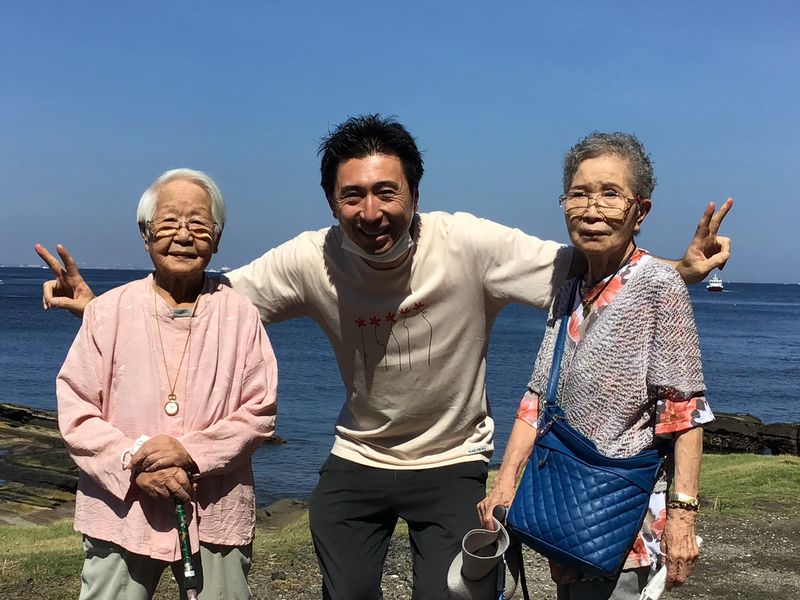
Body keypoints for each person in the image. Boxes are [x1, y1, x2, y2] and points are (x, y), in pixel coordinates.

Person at [37, 115, 731, 600]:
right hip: (358, 459)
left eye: (386, 192)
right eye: (353, 196)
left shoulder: (469, 244)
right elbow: (206, 293)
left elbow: (591, 268)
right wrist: (103, 309)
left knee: (456, 593)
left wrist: (677, 271)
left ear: (415, 195)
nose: (370, 211)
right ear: (332, 203)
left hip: (452, 460)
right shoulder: (310, 259)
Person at [477, 132, 713, 599]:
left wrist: (683, 519)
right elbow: (537, 397)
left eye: (610, 194)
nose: (591, 209)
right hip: (564, 510)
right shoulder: (570, 288)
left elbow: (683, 411)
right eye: (579, 194)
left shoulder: (660, 286)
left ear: (640, 212)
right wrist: (504, 482)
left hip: (622, 521)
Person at [51, 169, 277, 600]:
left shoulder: (241, 315)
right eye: (170, 221)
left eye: (199, 224)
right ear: (145, 233)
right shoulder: (107, 312)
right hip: (123, 512)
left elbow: (259, 411)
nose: (184, 235)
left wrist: (189, 452)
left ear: (217, 237)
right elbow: (76, 409)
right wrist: (134, 462)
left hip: (214, 507)